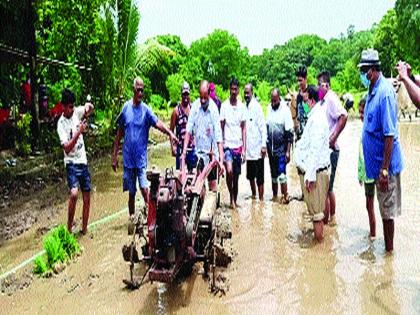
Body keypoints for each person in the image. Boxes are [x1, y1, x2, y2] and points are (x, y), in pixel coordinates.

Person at [112, 77, 178, 225]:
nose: (140, 93)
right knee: (131, 192)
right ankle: (131, 219)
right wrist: (114, 156)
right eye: (138, 90)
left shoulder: (146, 110)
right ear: (133, 89)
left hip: (141, 159)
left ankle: (152, 218)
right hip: (128, 159)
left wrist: (170, 133)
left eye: (142, 90)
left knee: (144, 188)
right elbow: (119, 134)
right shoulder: (126, 108)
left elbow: (158, 123)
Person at [358, 49, 404, 253]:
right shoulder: (372, 91)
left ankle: (389, 254)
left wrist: (384, 170)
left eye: (364, 70)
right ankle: (387, 250)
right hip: (376, 166)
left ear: (372, 70)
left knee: (387, 214)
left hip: (385, 168)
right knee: (383, 209)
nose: (362, 75)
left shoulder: (384, 93)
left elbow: (389, 135)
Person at [294, 85, 330, 243]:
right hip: (317, 169)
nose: (303, 103)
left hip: (316, 172)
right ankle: (322, 240)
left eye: (305, 100)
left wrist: (309, 175)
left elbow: (315, 149)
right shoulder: (316, 116)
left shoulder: (317, 119)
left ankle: (319, 250)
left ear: (312, 100)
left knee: (316, 215)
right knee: (319, 212)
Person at [57, 88, 94, 235]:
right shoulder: (61, 124)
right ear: (63, 107)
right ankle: (68, 229)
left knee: (87, 195)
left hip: (82, 160)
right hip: (71, 162)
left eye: (74, 106)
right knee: (73, 194)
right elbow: (66, 148)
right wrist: (79, 132)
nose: (72, 109)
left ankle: (84, 229)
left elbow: (88, 109)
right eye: (70, 107)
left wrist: (88, 107)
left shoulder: (77, 113)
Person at [181, 80, 224, 192]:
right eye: (201, 98)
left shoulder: (214, 110)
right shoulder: (195, 107)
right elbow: (188, 131)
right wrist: (184, 153)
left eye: (205, 97)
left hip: (211, 154)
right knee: (197, 184)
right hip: (198, 152)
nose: (203, 100)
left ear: (209, 94)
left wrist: (221, 160)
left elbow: (219, 136)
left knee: (213, 187)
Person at [317, 70, 348, 226]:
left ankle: (327, 223)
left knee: (325, 189)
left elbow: (344, 115)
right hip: (325, 151)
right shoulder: (323, 101)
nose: (318, 88)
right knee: (328, 188)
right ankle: (332, 220)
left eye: (319, 85)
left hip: (331, 150)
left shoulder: (331, 98)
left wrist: (333, 137)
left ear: (326, 85)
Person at [220, 78, 246, 208]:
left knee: (236, 177)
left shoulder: (242, 107)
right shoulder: (224, 106)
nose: (234, 91)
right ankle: (231, 197)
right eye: (232, 89)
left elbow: (243, 128)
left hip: (238, 146)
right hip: (227, 146)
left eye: (236, 89)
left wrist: (244, 149)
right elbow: (221, 126)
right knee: (229, 171)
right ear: (229, 89)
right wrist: (220, 146)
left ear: (238, 90)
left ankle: (234, 199)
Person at [266, 88, 294, 203]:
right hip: (271, 149)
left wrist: (288, 151)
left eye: (275, 101)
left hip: (282, 149)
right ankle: (274, 197)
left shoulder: (285, 110)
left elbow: (289, 133)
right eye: (272, 101)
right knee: (273, 175)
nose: (273, 104)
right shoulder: (268, 108)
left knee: (282, 175)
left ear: (279, 99)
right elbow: (266, 127)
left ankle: (285, 195)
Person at [244, 83, 267, 201]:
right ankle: (254, 196)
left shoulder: (257, 107)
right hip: (248, 151)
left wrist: (264, 146)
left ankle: (261, 199)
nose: (246, 95)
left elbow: (263, 127)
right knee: (250, 176)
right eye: (245, 93)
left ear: (252, 93)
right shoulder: (243, 107)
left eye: (248, 93)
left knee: (260, 177)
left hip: (258, 150)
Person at [357, 96, 376, 239]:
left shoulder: (371, 128)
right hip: (367, 173)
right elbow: (360, 154)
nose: (360, 116)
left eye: (363, 112)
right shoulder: (364, 128)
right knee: (368, 205)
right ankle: (373, 232)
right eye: (359, 112)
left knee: (370, 205)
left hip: (372, 173)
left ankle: (373, 234)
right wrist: (360, 174)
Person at [169, 81, 197, 171]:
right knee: (180, 173)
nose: (185, 97)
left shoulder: (193, 109)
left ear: (189, 94)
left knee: (192, 173)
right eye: (184, 94)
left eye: (187, 94)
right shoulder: (176, 111)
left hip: (192, 147)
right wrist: (173, 147)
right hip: (180, 147)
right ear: (181, 95)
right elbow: (171, 130)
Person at [296, 66, 309, 140]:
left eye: (300, 80)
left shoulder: (312, 91)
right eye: (297, 81)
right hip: (302, 136)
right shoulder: (298, 96)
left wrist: (305, 103)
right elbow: (298, 115)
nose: (298, 83)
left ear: (306, 79)